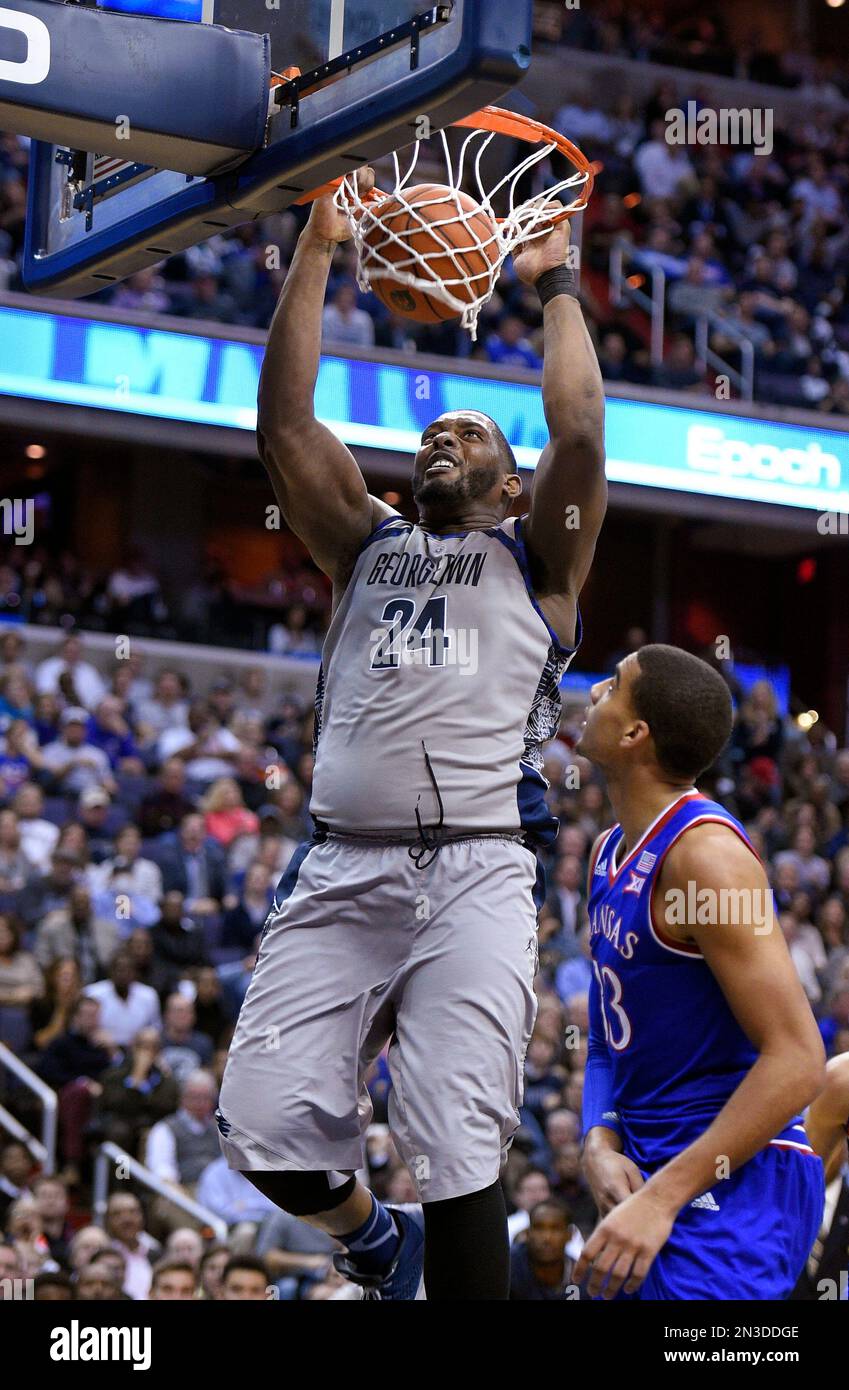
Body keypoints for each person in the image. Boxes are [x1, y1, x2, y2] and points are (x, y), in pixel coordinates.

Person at [217, 168, 607, 1300]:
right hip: (339, 856)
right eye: (433, 431)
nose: (443, 438)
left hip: (479, 863)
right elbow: (285, 424)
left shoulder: (543, 561)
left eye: (470, 433)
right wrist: (320, 243)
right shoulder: (363, 546)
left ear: (513, 480)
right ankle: (380, 1242)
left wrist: (555, 284)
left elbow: (579, 424)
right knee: (264, 1126)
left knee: (454, 1140)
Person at [573, 644, 826, 1300]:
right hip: (647, 1170)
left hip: (729, 1185)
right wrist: (597, 1140)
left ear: (635, 734)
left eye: (616, 683)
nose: (596, 687)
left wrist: (663, 1198)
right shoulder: (607, 850)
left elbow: (798, 1059)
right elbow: (606, 1034)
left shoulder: (705, 857)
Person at [509, 1198, 581, 1299]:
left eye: (556, 1228)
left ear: (570, 1235)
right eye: (538, 1228)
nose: (547, 1238)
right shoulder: (506, 1270)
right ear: (527, 1233)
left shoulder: (582, 1277)